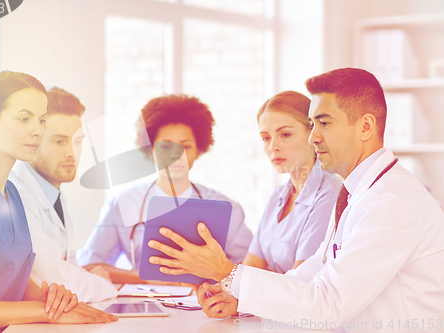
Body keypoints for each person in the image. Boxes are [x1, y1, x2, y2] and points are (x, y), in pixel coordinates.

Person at [147, 68, 444, 330]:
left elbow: (327, 306)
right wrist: (239, 296)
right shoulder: (356, 193)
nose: (314, 137)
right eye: (313, 124)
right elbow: (311, 274)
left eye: (324, 124)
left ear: (365, 127)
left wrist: (228, 271)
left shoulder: (392, 203)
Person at [0, 71, 116, 333]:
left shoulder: (11, 193)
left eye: (42, 120)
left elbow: (18, 282)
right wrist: (43, 311)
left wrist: (56, 301)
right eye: (24, 118)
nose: (37, 131)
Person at [77, 94, 253, 284]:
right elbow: (89, 266)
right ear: (150, 149)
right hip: (144, 304)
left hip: (207, 307)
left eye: (185, 146)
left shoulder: (227, 208)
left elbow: (251, 269)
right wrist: (146, 278)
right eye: (165, 147)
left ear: (199, 150)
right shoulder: (122, 205)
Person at [8, 86, 118, 302]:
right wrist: (102, 283)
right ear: (33, 140)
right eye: (59, 141)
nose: (72, 153)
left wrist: (89, 277)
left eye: (77, 141)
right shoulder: (17, 195)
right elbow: (54, 281)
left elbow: (64, 262)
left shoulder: (52, 191)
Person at [242, 91, 340, 273]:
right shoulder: (278, 196)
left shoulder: (330, 194)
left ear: (313, 134)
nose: (273, 147)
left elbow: (300, 283)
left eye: (285, 134)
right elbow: (249, 270)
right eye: (266, 138)